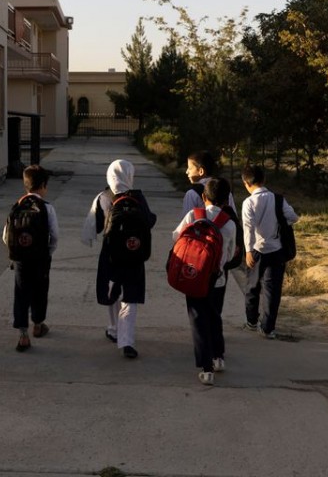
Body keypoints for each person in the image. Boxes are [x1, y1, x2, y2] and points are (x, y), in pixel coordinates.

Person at [81, 159, 157, 359]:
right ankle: (127, 342)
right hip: (135, 256)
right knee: (130, 298)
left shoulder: (104, 196)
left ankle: (113, 329)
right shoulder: (139, 198)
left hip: (111, 256)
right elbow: (149, 221)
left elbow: (95, 227)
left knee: (112, 292)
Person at [172, 178, 236, 385]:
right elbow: (231, 252)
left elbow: (176, 236)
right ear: (226, 200)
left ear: (202, 197)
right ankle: (218, 358)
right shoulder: (229, 223)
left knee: (198, 319)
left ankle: (206, 368)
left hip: (195, 275)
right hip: (217, 279)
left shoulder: (193, 215)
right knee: (214, 316)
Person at [3, 165, 59, 352]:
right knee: (40, 291)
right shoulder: (47, 208)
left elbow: (5, 236)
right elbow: (55, 235)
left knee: (21, 294)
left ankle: (23, 335)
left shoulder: (16, 206)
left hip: (20, 260)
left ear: (25, 185)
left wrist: (16, 252)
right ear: (43, 185)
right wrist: (48, 252)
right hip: (41, 259)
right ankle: (38, 324)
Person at [240, 165, 299, 339]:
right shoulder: (278, 199)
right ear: (264, 180)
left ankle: (251, 321)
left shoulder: (248, 202)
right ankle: (268, 328)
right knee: (272, 290)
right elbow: (293, 217)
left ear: (246, 183)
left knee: (252, 287)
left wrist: (248, 251)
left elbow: (248, 228)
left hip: (257, 251)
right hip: (276, 250)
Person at [182, 150, 236, 217]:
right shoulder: (225, 191)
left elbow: (187, 221)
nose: (187, 172)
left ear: (201, 171)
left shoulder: (192, 194)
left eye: (190, 168)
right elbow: (233, 216)